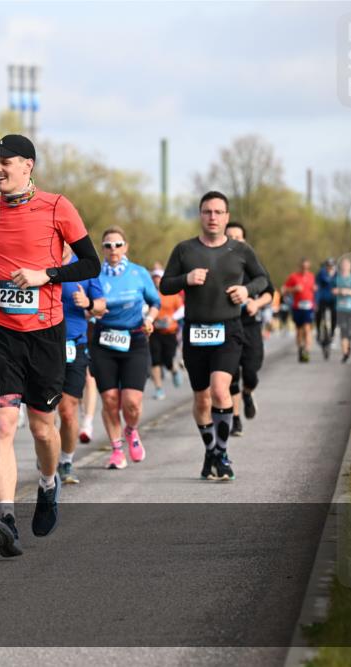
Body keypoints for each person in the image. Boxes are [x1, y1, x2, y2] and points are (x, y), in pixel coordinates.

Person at [0, 134, 100, 557]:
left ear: (28, 165)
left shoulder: (58, 207)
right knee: (3, 425)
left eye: (5, 162)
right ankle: (5, 516)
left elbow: (90, 263)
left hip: (45, 335)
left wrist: (47, 275)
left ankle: (47, 482)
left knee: (42, 428)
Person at [161, 191, 269, 481]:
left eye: (218, 212)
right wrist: (186, 279)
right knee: (201, 400)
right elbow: (165, 285)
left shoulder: (240, 250)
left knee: (221, 391)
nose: (213, 217)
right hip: (195, 332)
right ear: (200, 215)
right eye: (208, 211)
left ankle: (221, 453)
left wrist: (247, 290)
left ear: (226, 217)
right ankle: (211, 451)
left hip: (229, 330)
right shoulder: (184, 250)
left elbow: (263, 279)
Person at [90, 227, 161, 469]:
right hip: (104, 340)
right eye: (108, 245)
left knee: (132, 402)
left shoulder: (138, 273)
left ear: (126, 247)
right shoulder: (94, 275)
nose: (113, 249)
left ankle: (131, 429)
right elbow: (85, 306)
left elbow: (155, 302)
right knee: (110, 399)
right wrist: (90, 310)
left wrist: (150, 319)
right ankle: (117, 449)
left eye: (118, 245)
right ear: (102, 249)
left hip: (135, 340)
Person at [57, 245, 105, 483]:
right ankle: (46, 448)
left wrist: (87, 303)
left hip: (74, 345)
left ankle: (66, 461)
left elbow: (101, 306)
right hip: (43, 346)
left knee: (68, 410)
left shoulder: (85, 266)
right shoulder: (39, 263)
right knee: (42, 412)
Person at [224, 222, 274, 437]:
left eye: (238, 237)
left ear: (244, 240)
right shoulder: (216, 264)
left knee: (251, 373)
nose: (234, 240)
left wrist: (257, 303)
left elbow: (270, 292)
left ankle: (248, 392)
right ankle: (235, 419)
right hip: (227, 325)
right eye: (230, 237)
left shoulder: (252, 264)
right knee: (231, 375)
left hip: (250, 325)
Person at [148, 268, 184, 401]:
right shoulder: (149, 293)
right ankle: (158, 389)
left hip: (170, 332)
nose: (156, 280)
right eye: (154, 278)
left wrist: (171, 318)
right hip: (154, 331)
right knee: (155, 360)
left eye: (158, 277)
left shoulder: (172, 294)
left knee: (168, 359)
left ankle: (174, 370)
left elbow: (182, 309)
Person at [283, 259, 317, 363]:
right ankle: (300, 348)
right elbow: (284, 289)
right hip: (297, 307)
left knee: (307, 328)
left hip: (309, 307)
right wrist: (294, 289)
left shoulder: (312, 277)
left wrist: (316, 289)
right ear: (300, 267)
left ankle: (307, 351)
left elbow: (317, 290)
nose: (305, 269)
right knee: (299, 330)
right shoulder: (294, 277)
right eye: (303, 267)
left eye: (307, 267)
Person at [333, 258, 351, 363]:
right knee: (343, 330)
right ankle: (345, 353)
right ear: (341, 266)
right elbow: (332, 290)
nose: (345, 266)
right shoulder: (337, 279)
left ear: (350, 267)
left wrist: (349, 292)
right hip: (340, 309)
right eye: (343, 264)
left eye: (347, 265)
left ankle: (348, 345)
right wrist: (340, 291)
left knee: (350, 332)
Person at [315, 258, 338, 360]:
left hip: (333, 300)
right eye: (328, 266)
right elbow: (316, 287)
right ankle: (318, 332)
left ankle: (332, 333)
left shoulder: (337, 274)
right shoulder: (321, 273)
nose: (329, 268)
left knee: (335, 315)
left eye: (331, 266)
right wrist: (316, 301)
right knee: (318, 313)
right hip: (322, 298)